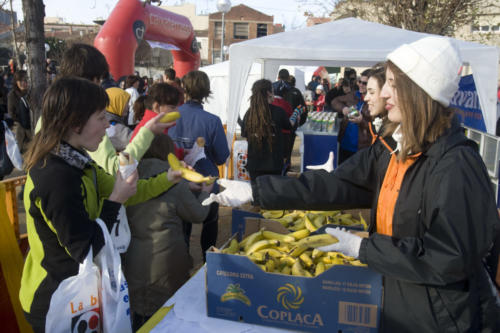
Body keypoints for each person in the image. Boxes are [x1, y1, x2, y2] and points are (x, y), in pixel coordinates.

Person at [203, 36, 500, 332]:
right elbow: (333, 185)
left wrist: (365, 249)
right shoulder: (392, 150)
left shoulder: (456, 165)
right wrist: (256, 191)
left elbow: (449, 257)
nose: (384, 93)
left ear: (420, 92)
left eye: (393, 84)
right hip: (397, 301)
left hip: (440, 319)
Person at [19, 77, 182, 332]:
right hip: (55, 300)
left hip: (82, 294)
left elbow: (128, 191)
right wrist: (116, 199)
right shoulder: (55, 177)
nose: (108, 126)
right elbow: (85, 248)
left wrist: (169, 178)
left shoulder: (79, 161)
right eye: (100, 118)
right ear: (75, 123)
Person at [123, 133, 212, 330]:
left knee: (139, 314)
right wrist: (206, 192)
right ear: (168, 152)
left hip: (133, 259)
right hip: (167, 260)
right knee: (167, 317)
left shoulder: (127, 177)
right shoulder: (174, 181)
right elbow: (198, 214)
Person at [56, 43, 173, 176]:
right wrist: (147, 133)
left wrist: (165, 181)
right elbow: (116, 167)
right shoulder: (87, 120)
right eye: (99, 80)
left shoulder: (54, 113)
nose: (106, 124)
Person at [168, 70, 229, 261]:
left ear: (183, 89)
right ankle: (207, 265)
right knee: (210, 224)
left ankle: (183, 266)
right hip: (206, 181)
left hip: (178, 180)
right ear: (206, 92)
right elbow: (221, 157)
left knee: (182, 227)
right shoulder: (212, 121)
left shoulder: (170, 117)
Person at [242, 79, 292, 183]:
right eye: (273, 91)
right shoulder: (278, 112)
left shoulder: (249, 114)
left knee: (258, 195)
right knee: (273, 195)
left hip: (255, 165)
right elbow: (288, 126)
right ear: (269, 92)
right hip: (274, 164)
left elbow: (245, 135)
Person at [332, 69, 371, 164]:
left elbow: (376, 128)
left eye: (364, 83)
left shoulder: (375, 101)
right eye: (360, 82)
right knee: (340, 173)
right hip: (345, 144)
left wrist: (361, 121)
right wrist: (343, 109)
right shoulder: (354, 95)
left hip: (362, 148)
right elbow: (335, 101)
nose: (361, 85)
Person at [7, 70, 32, 153]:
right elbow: (11, 112)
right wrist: (22, 121)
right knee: (20, 128)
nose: (23, 83)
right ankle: (18, 151)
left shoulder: (32, 93)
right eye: (20, 81)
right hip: (19, 122)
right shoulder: (12, 95)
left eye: (25, 80)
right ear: (16, 82)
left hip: (32, 121)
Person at [364, 65, 387, 141]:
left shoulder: (397, 136)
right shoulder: (379, 123)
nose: (365, 98)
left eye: (372, 92)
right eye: (366, 92)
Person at [105, 87, 132, 151]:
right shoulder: (113, 125)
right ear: (116, 103)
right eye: (126, 103)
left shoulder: (107, 118)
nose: (129, 106)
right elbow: (134, 140)